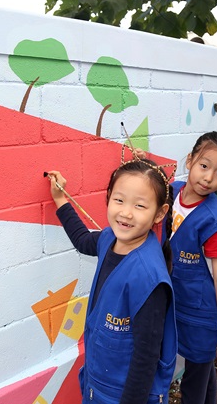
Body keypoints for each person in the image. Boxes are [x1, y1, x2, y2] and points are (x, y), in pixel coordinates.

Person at [46, 156, 177, 404]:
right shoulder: (109, 239)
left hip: (122, 394)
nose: (126, 213)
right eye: (119, 200)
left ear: (160, 214)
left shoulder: (148, 277)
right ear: (108, 198)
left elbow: (146, 356)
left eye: (140, 206)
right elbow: (84, 241)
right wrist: (60, 199)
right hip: (98, 382)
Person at [168, 131, 217, 404]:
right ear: (190, 161)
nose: (209, 178)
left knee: (195, 380)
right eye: (204, 166)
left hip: (202, 315)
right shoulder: (172, 192)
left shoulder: (212, 222)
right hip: (177, 303)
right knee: (202, 372)